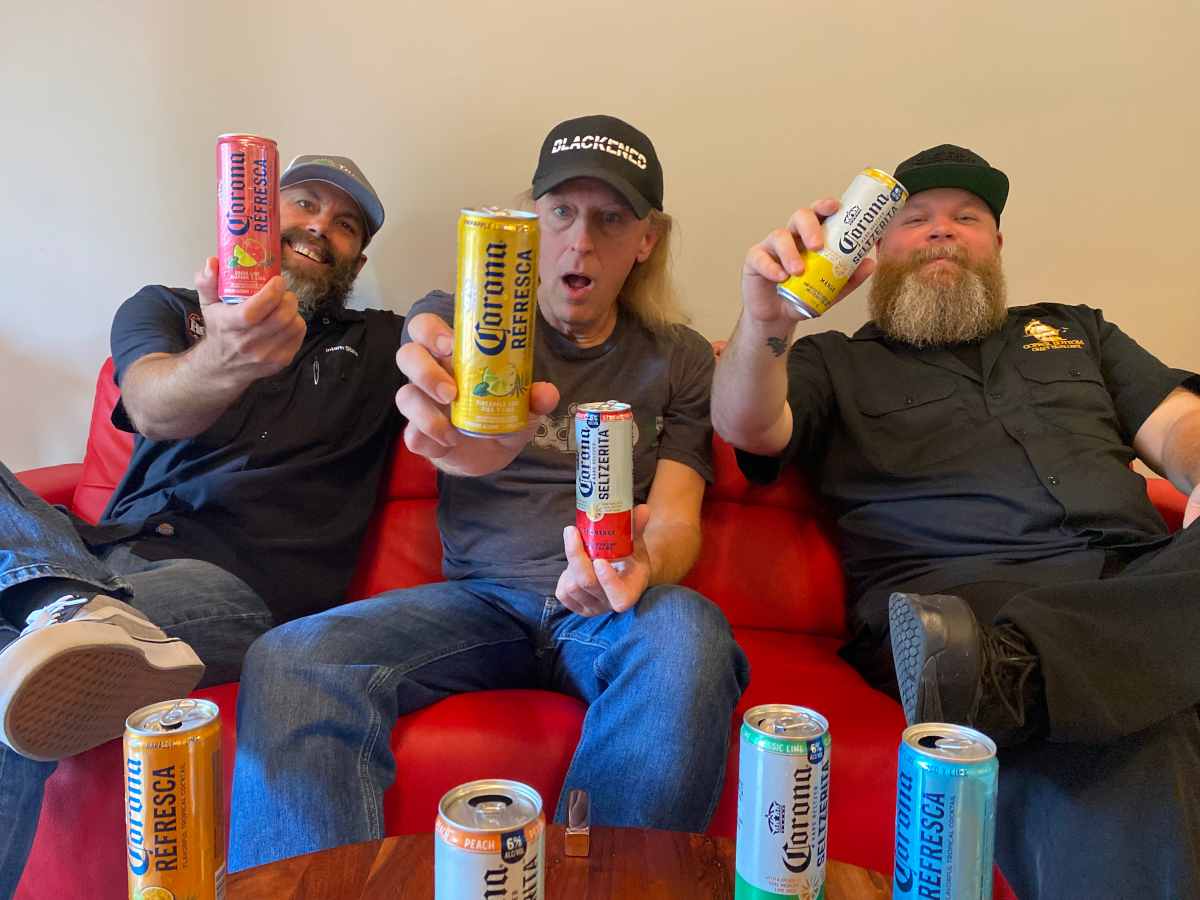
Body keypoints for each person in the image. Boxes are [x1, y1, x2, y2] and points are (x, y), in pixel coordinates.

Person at [228, 115, 751, 870]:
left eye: (610, 219)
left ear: (647, 238)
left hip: (613, 613)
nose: (580, 242)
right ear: (532, 222)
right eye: (561, 212)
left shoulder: (680, 359)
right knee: (290, 658)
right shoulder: (469, 320)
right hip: (480, 605)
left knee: (690, 629)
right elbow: (433, 351)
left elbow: (675, 521)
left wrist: (637, 569)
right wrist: (453, 416)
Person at [711, 143, 1200, 899]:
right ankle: (1028, 667)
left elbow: (1177, 424)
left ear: (996, 245)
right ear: (877, 249)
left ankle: (1021, 676)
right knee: (1133, 724)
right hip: (964, 608)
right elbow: (748, 425)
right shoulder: (834, 362)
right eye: (915, 219)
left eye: (966, 217)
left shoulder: (1078, 330)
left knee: (1108, 687)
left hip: (1138, 582)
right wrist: (766, 320)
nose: (941, 229)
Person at [0, 154, 402, 897]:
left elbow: (463, 330)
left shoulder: (381, 345)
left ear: (359, 260)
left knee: (11, 663)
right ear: (254, 213)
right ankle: (64, 603)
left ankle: (60, 612)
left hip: (234, 585)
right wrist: (225, 354)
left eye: (345, 224)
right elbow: (152, 405)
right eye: (304, 204)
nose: (320, 226)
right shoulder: (163, 307)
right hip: (101, 555)